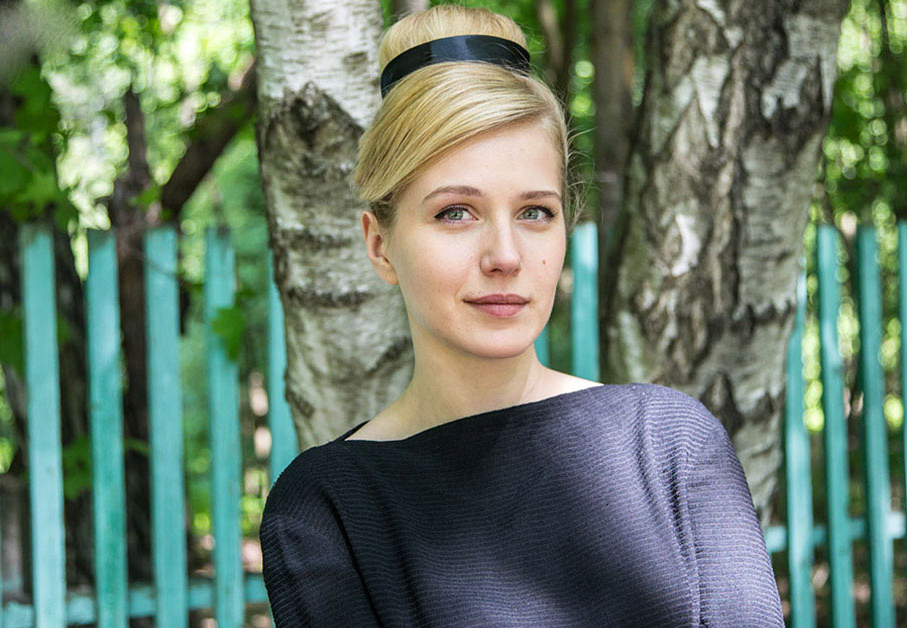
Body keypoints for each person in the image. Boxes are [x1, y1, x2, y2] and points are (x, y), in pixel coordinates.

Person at [259, 5, 785, 627]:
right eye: (456, 212)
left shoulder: (670, 444)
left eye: (535, 212)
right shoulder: (326, 510)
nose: (505, 256)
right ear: (380, 245)